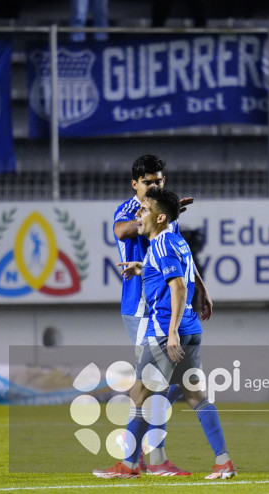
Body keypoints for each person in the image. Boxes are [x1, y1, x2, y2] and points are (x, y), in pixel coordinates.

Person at [94, 188, 236, 480]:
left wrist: (170, 333)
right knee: (196, 396)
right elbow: (173, 272)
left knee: (140, 396)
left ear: (159, 218)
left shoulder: (159, 245)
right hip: (191, 328)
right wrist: (142, 268)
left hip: (165, 331)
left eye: (144, 210)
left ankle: (130, 465)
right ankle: (223, 461)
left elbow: (179, 287)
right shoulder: (176, 241)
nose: (138, 215)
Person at [110, 154, 213, 476]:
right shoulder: (130, 211)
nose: (154, 186)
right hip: (141, 307)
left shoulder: (164, 214)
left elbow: (178, 252)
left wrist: (201, 288)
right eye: (148, 182)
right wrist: (152, 217)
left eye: (158, 181)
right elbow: (122, 231)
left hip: (162, 306)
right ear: (134, 184)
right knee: (151, 384)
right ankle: (149, 459)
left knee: (156, 384)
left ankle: (144, 458)